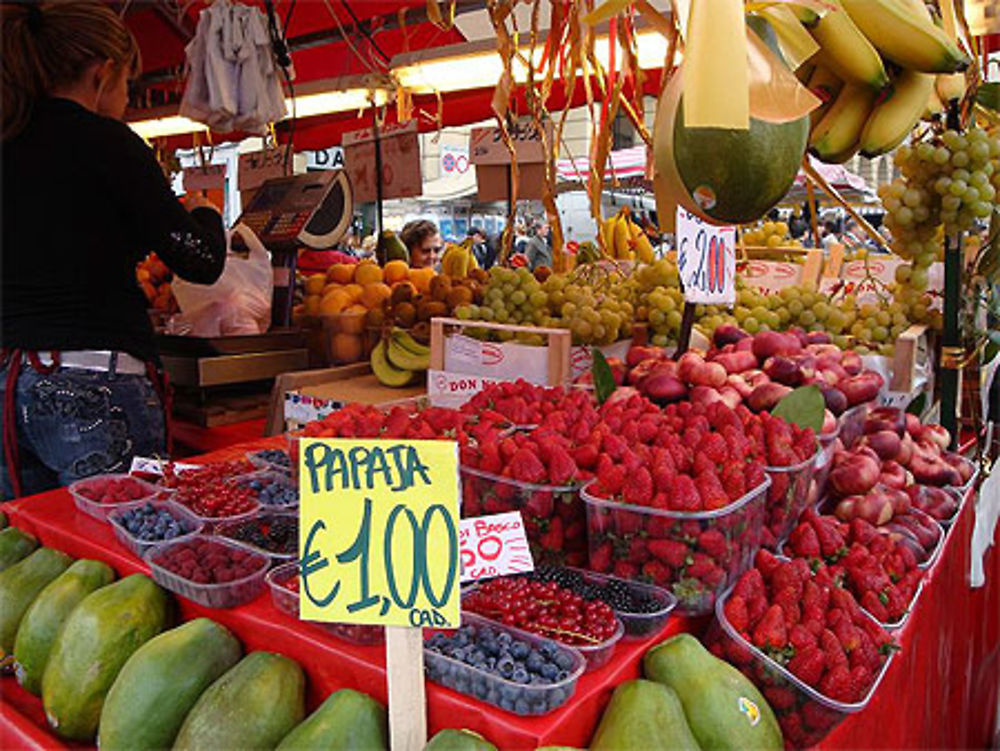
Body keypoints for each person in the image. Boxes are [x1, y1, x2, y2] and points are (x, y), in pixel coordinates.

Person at [1, 2, 227, 500]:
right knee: (126, 542)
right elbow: (199, 259)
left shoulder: (9, 139)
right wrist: (206, 211)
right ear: (102, 75)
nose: (129, 98)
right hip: (95, 389)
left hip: (10, 387)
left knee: (30, 550)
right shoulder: (108, 143)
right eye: (130, 84)